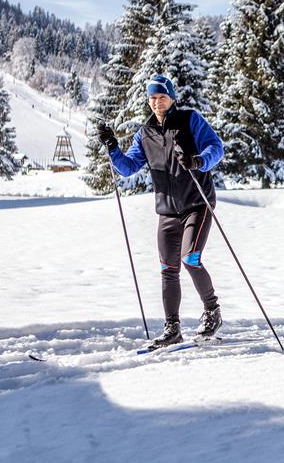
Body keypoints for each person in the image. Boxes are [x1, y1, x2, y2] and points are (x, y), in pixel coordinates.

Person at [96, 74, 225, 346]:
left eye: (162, 97)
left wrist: (198, 160)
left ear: (172, 98)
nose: (157, 102)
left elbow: (216, 147)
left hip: (197, 203)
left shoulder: (189, 120)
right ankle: (172, 328)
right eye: (152, 98)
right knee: (168, 268)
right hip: (167, 209)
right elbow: (128, 168)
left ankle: (212, 311)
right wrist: (112, 147)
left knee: (190, 258)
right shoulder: (145, 134)